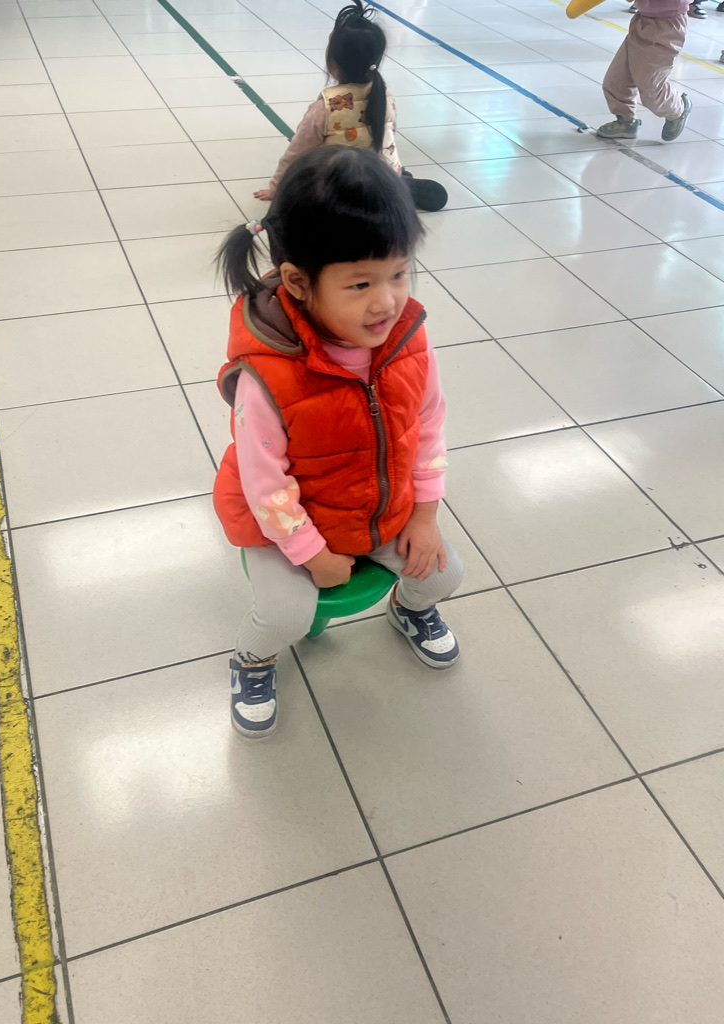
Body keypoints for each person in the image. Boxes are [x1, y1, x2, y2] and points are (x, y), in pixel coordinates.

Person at [214, 147, 463, 739]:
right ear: (299, 282)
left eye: (399, 273)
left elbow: (428, 424)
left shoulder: (406, 339)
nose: (387, 301)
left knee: (443, 574)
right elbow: (265, 486)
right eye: (360, 283)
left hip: (375, 509)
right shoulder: (267, 375)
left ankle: (408, 610)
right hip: (286, 524)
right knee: (286, 614)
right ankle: (251, 658)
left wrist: (425, 514)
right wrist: (311, 554)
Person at [253, 0, 448, 212]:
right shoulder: (384, 93)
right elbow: (387, 136)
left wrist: (277, 188)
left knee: (308, 183)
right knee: (382, 165)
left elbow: (296, 153)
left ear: (333, 64)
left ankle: (388, 187)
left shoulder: (326, 107)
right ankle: (398, 184)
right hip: (381, 178)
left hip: (340, 192)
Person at [598, 0, 691, 140]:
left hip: (668, 24)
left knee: (651, 91)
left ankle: (678, 109)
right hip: (643, 19)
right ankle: (626, 121)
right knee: (617, 80)